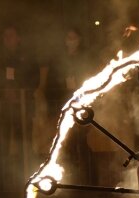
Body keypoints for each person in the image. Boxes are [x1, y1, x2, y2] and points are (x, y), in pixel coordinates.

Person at [0, 24, 40, 190]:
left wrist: (20, 93)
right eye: (5, 36)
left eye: (11, 35)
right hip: (0, 110)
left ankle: (26, 180)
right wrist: (3, 93)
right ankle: (1, 185)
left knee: (25, 145)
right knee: (1, 147)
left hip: (22, 108)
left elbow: (34, 79)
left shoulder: (28, 57)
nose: (8, 39)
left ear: (19, 38)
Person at [45, 28, 95, 184]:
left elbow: (92, 77)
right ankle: (73, 181)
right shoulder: (59, 60)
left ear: (79, 40)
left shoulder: (85, 58)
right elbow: (51, 85)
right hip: (64, 107)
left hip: (82, 106)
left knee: (81, 143)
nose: (71, 41)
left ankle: (89, 180)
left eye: (74, 38)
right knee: (69, 145)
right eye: (68, 37)